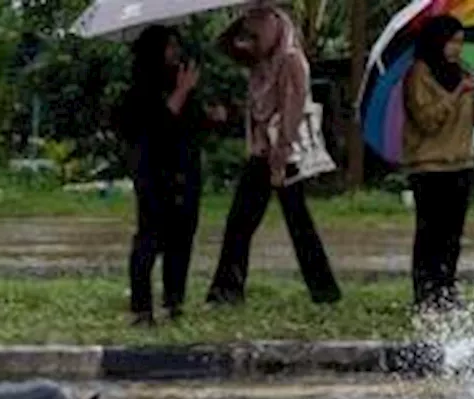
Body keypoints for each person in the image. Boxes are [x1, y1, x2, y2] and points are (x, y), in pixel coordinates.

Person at [205, 5, 341, 307]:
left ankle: (324, 290)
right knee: (240, 223)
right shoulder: (259, 61)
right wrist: (241, 22)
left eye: (258, 34)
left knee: (297, 225)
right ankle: (227, 289)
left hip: (282, 153)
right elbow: (223, 46)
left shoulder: (291, 60)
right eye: (249, 35)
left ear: (276, 28)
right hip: (259, 150)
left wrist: (279, 159)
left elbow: (291, 113)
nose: (252, 41)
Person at [117, 25, 224, 326]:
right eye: (170, 47)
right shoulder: (140, 90)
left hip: (185, 169)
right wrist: (182, 91)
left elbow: (191, 123)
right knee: (150, 237)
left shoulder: (181, 79)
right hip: (153, 171)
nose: (176, 53)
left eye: (178, 46)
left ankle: (174, 301)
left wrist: (212, 117)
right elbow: (156, 125)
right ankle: (141, 308)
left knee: (182, 236)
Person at [402, 15, 474, 312]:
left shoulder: (459, 72)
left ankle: (446, 289)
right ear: (437, 41)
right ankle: (425, 293)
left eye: (461, 42)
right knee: (429, 234)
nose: (457, 49)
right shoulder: (419, 75)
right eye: (452, 42)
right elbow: (428, 120)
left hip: (461, 163)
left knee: (452, 235)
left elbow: (468, 115)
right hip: (430, 166)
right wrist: (458, 91)